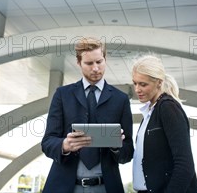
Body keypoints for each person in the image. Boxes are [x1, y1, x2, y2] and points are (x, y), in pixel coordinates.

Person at [42, 37, 134, 193]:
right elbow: (47, 142)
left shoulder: (121, 99)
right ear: (79, 63)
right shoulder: (62, 95)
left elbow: (128, 152)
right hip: (65, 187)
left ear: (105, 59)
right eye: (89, 63)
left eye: (99, 62)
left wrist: (116, 146)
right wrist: (64, 145)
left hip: (106, 187)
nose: (96, 68)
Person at [132, 55, 197, 193]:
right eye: (135, 83)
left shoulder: (168, 108)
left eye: (143, 84)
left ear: (158, 82)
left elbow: (185, 165)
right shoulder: (150, 111)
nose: (137, 89)